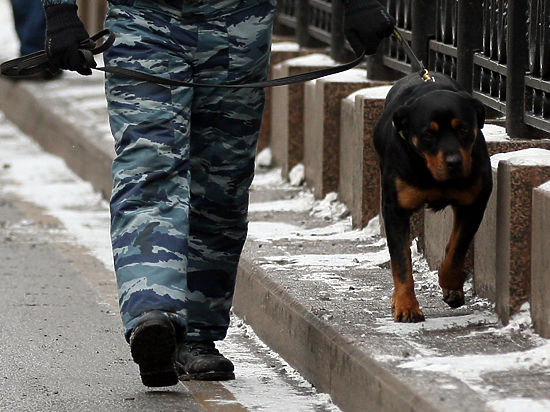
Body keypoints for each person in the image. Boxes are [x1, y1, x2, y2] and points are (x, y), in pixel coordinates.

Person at [40, 0, 394, 387]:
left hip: (238, 24)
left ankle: (195, 336)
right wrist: (59, 12)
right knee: (149, 167)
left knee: (220, 184)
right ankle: (152, 313)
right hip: (144, 22)